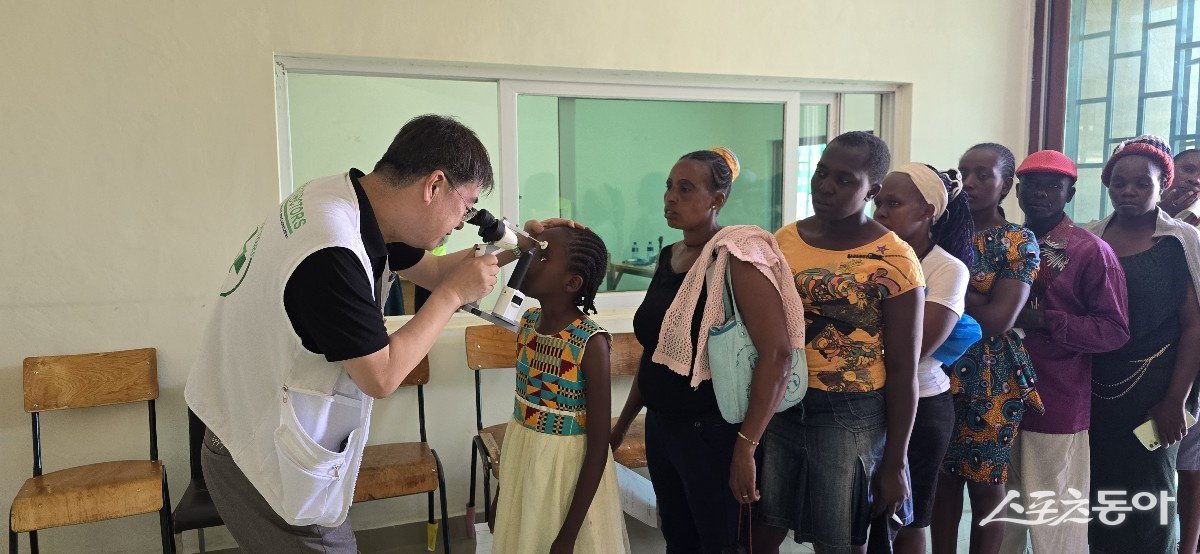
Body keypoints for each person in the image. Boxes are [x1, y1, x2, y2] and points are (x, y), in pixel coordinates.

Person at [185, 114, 572, 552]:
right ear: (434, 186)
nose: (462, 222)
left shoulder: (350, 201)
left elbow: (437, 269)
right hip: (259, 457)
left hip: (243, 422)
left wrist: (519, 246)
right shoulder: (331, 250)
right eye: (465, 207)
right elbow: (382, 376)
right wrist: (450, 297)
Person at [610, 147, 798, 553]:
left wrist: (746, 447)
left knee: (722, 543)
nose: (670, 198)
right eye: (668, 187)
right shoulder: (669, 257)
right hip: (664, 428)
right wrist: (624, 423)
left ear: (718, 199)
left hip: (713, 434)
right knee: (678, 539)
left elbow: (778, 354)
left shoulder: (736, 259)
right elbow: (657, 351)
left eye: (686, 189)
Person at [757, 131, 925, 553]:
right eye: (821, 173)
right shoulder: (785, 240)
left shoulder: (896, 259)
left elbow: (905, 369)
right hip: (783, 400)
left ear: (873, 190)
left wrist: (895, 461)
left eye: (845, 180)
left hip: (851, 411)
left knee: (839, 541)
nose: (825, 186)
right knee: (762, 528)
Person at [997, 150, 1129, 553]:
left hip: (1055, 401)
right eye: (1031, 185)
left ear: (1069, 193)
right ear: (1018, 193)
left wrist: (1047, 320)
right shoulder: (1003, 245)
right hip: (996, 397)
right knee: (1004, 517)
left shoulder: (1091, 252)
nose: (1039, 193)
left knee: (1054, 519)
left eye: (1051, 185)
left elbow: (1114, 330)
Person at [1082, 135, 1200, 554]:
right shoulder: (1090, 240)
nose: (1129, 192)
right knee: (1099, 496)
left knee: (1151, 501)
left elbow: (1192, 326)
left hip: (1158, 387)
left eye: (1142, 184)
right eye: (1119, 183)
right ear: (1107, 184)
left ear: (1162, 185)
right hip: (1096, 387)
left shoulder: (1180, 241)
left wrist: (1175, 401)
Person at [491, 226, 631, 554]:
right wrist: (502, 493)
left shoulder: (590, 343)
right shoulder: (527, 324)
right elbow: (522, 415)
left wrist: (568, 536)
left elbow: (599, 446)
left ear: (571, 283)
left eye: (543, 256)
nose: (529, 259)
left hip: (566, 477)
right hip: (524, 461)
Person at [932, 143, 1043, 554]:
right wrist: (976, 298)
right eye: (965, 173)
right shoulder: (938, 232)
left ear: (1006, 186)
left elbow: (999, 320)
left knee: (984, 484)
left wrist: (951, 295)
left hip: (992, 379)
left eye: (984, 175)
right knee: (941, 482)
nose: (971, 183)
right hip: (936, 370)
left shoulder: (1018, 240)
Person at [873, 162, 980, 554]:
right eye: (878, 202)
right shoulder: (864, 256)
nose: (881, 212)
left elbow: (919, 346)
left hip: (922, 403)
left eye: (894, 203)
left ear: (927, 212)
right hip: (860, 396)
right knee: (856, 519)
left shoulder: (946, 268)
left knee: (908, 517)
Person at [1161, 146, 1200, 554]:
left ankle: (1187, 546)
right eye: (1188, 169)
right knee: (1156, 460)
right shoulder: (1148, 219)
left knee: (1192, 465)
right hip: (1157, 361)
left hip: (1196, 362)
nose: (1194, 179)